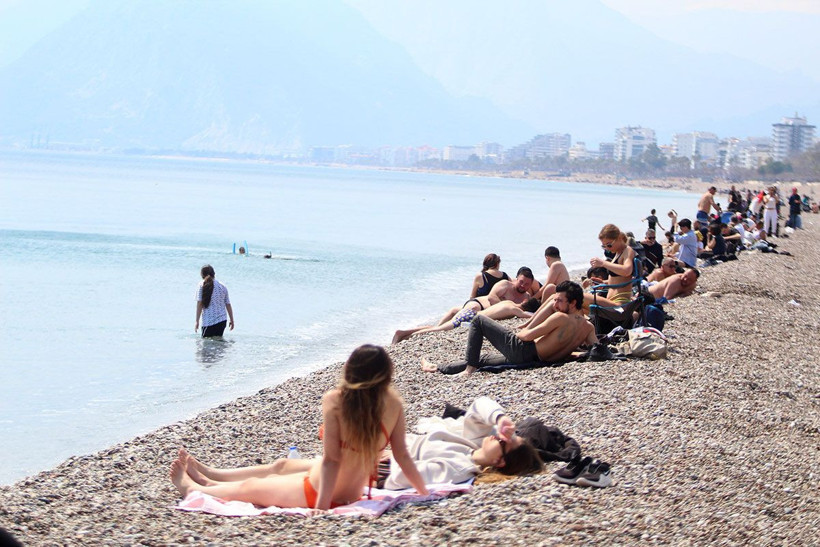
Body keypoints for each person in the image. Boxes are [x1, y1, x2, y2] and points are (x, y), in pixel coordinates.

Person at [169, 345, 429, 510]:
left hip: (319, 488)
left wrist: (321, 507)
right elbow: (402, 455)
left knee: (250, 488)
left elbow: (331, 461)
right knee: (281, 466)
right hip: (349, 487)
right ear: (385, 374)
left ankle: (196, 489)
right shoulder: (393, 403)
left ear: (350, 371)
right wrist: (423, 492)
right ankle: (211, 475)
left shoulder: (336, 400)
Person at [422, 281, 597, 375]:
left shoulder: (560, 317)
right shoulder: (587, 327)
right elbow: (596, 350)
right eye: (555, 300)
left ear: (573, 303)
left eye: (559, 300)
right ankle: (438, 368)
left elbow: (526, 337)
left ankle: (469, 370)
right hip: (536, 361)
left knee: (479, 320)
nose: (555, 304)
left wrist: (523, 330)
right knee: (481, 358)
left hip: (525, 352)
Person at [383, 397, 543, 488]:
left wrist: (396, 453)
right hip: (393, 449)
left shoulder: (458, 468)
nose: (501, 436)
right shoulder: (475, 445)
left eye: (505, 442)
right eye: (509, 435)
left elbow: (400, 477)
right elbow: (479, 405)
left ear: (499, 462)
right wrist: (500, 418)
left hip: (383, 466)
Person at [393, 267, 536, 343]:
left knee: (440, 327)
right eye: (521, 281)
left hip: (478, 315)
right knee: (442, 328)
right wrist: (503, 307)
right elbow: (492, 298)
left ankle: (405, 334)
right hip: (476, 306)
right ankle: (406, 335)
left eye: (527, 284)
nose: (523, 285)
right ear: (516, 278)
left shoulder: (526, 297)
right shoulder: (505, 285)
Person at [588, 224, 635, 305]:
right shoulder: (617, 253)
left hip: (620, 302)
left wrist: (603, 263)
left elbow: (627, 271)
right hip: (611, 300)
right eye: (604, 246)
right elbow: (617, 281)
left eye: (609, 245)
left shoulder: (627, 250)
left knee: (580, 298)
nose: (607, 249)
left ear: (619, 238)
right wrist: (602, 282)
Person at [196, 265, 235, 338]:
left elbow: (199, 303)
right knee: (219, 345)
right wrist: (232, 320)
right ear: (214, 274)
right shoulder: (222, 286)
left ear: (202, 275)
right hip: (222, 321)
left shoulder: (201, 285)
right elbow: (228, 304)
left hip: (208, 321)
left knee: (205, 347)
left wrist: (197, 321)